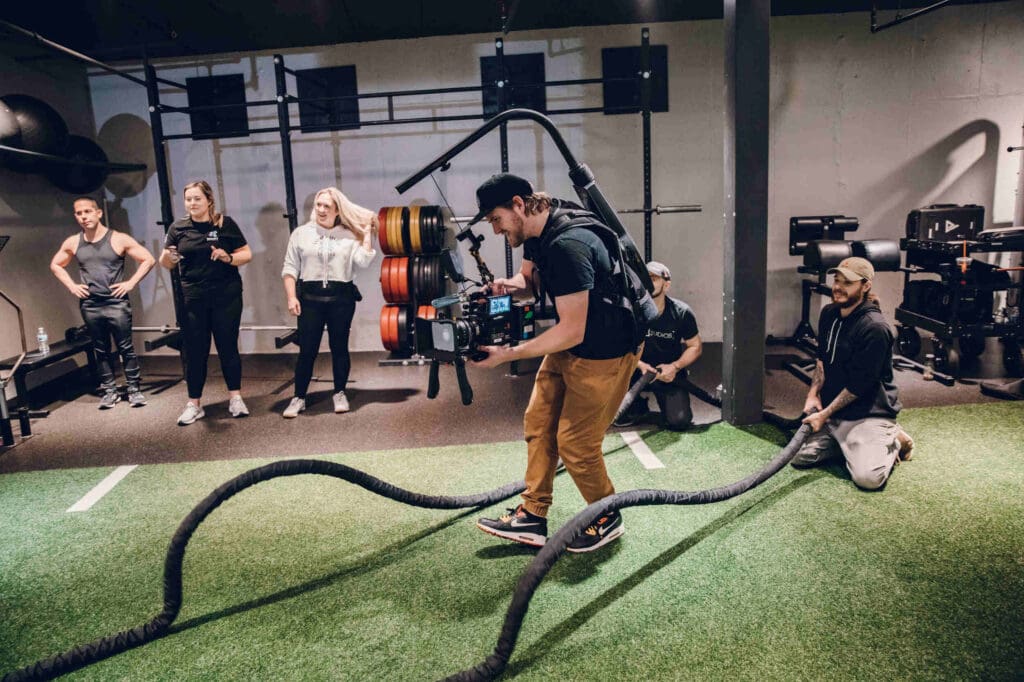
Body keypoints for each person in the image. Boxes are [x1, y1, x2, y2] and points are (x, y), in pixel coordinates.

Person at [470, 173, 642, 553]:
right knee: (538, 421)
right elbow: (529, 283)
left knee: (576, 442)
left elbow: (571, 331)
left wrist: (509, 355)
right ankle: (532, 515)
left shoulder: (568, 245)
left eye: (496, 219)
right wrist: (507, 286)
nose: (496, 230)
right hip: (578, 339)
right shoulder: (539, 227)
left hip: (606, 348)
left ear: (518, 204)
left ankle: (606, 514)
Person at [793, 256, 914, 489]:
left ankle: (894, 439)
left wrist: (823, 414)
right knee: (800, 457)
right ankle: (846, 444)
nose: (838, 287)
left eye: (847, 283)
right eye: (837, 280)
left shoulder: (875, 328)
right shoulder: (829, 313)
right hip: (835, 414)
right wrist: (813, 394)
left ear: (865, 286)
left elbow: (859, 385)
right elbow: (822, 361)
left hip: (867, 414)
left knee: (868, 479)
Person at [159, 180, 252, 425]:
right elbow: (166, 262)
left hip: (226, 296)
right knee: (195, 351)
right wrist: (169, 257)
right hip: (193, 299)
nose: (192, 203)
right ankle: (194, 404)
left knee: (227, 347)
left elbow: (247, 254)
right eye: (188, 199)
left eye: (197, 198)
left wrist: (228, 256)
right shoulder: (178, 228)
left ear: (209, 200)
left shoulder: (224, 224)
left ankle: (235, 398)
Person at [279, 187, 377, 417]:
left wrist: (366, 235)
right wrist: (292, 296)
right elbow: (290, 268)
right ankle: (298, 397)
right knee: (307, 350)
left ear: (337, 211)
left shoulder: (349, 235)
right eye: (318, 205)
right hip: (310, 299)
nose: (321, 210)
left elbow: (363, 262)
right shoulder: (301, 233)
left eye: (327, 206)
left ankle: (340, 392)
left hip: (341, 299)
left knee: (339, 347)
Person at [50, 197, 156, 409]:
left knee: (125, 347)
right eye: (79, 213)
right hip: (91, 305)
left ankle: (134, 390)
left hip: (116, 303)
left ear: (98, 213)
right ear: (76, 216)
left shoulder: (118, 239)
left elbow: (148, 259)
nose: (84, 216)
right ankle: (110, 390)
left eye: (88, 211)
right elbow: (56, 264)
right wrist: (72, 286)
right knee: (101, 349)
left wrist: (131, 283)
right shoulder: (73, 242)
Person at [613, 261, 702, 431]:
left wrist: (675, 367)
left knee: (680, 420)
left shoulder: (681, 312)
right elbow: (618, 345)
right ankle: (637, 406)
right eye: (644, 279)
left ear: (666, 284)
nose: (647, 283)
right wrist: (639, 364)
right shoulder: (630, 311)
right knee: (613, 413)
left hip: (667, 374)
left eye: (653, 279)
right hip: (635, 372)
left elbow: (695, 346)